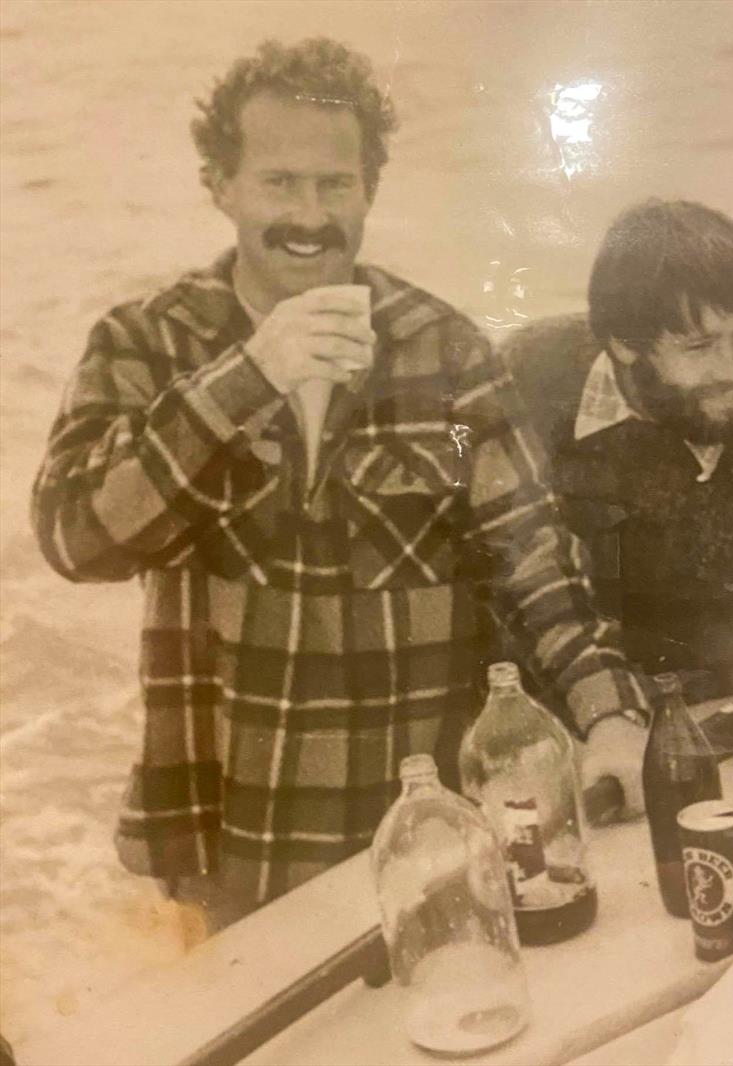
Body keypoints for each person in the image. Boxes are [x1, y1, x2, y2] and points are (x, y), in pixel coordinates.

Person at [31, 37, 651, 931]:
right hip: (230, 842)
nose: (311, 215)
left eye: (336, 185)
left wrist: (611, 717)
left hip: (431, 828)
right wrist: (248, 374)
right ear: (221, 183)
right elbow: (73, 539)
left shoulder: (448, 351)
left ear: (369, 188)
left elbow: (535, 564)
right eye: (281, 183)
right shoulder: (144, 343)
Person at [504, 199, 733, 704]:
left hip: (720, 707)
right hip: (556, 697)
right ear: (624, 344)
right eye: (699, 347)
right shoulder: (518, 383)